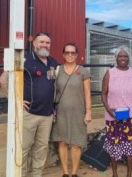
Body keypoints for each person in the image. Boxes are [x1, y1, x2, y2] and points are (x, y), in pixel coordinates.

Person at [50, 42, 92, 177]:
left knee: (76, 144)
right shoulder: (57, 70)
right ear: (63, 55)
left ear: (77, 55)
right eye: (67, 52)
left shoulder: (83, 71)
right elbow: (51, 90)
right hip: (61, 113)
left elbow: (87, 93)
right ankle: (65, 173)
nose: (70, 55)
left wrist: (89, 111)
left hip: (78, 113)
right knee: (62, 142)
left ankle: (74, 173)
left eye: (73, 53)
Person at [101, 45, 132, 177]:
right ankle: (115, 174)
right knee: (114, 147)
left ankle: (129, 174)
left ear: (129, 58)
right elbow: (103, 93)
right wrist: (108, 109)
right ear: (116, 58)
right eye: (120, 56)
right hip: (114, 117)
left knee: (130, 148)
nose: (123, 58)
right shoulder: (110, 73)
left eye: (125, 56)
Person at [22, 31, 58, 177]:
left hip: (47, 114)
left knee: (41, 148)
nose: (44, 45)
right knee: (24, 147)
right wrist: (15, 99)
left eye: (47, 42)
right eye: (41, 42)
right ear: (34, 43)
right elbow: (4, 79)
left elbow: (54, 83)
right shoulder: (25, 59)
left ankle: (37, 175)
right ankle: (21, 174)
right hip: (29, 113)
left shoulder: (53, 62)